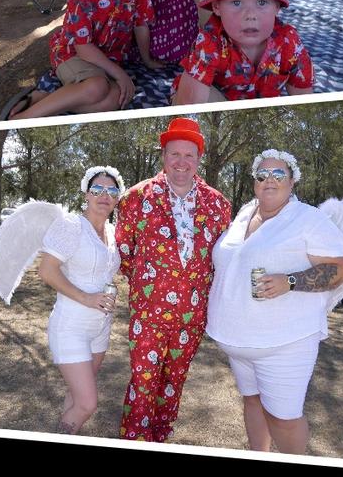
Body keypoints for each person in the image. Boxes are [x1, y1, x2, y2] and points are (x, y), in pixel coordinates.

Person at [206, 149, 343, 454]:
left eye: (278, 174)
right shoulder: (244, 214)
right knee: (252, 402)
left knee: (283, 418)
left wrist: (291, 281)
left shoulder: (307, 218)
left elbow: (340, 269)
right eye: (262, 175)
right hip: (238, 341)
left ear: (293, 180)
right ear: (254, 182)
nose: (269, 180)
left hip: (285, 343)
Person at [115, 117, 232, 442]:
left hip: (192, 318)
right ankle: (135, 439)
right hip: (148, 315)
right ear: (163, 156)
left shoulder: (219, 205)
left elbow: (222, 259)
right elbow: (125, 251)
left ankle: (161, 436)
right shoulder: (137, 198)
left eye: (189, 155)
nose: (181, 162)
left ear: (199, 159)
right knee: (143, 382)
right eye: (174, 154)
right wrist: (151, 283)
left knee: (174, 382)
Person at [6, 0, 162, 120]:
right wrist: (120, 74)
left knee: (116, 98)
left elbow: (141, 23)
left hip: (109, 57)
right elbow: (83, 48)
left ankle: (45, 98)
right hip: (72, 54)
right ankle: (24, 118)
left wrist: (146, 59)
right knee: (97, 87)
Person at [38, 166, 124, 435]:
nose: (104, 195)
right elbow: (46, 271)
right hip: (71, 327)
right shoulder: (71, 226)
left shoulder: (111, 232)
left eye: (111, 190)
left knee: (76, 396)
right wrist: (86, 298)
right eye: (97, 189)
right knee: (87, 403)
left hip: (100, 329)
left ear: (117, 198)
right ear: (86, 194)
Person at [172, 0, 314, 104]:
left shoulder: (289, 42)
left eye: (261, 2)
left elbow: (305, 101)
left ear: (277, 7)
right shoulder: (209, 43)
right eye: (236, 2)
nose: (250, 15)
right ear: (217, 7)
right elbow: (188, 105)